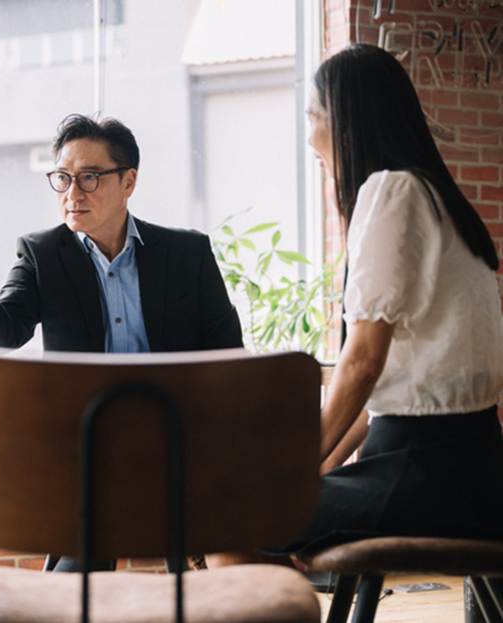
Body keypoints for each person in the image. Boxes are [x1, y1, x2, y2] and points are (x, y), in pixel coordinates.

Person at [211, 43, 503, 567]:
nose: (309, 136)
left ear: (345, 119)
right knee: (256, 516)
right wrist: (321, 470)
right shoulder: (440, 200)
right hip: (475, 470)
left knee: (220, 516)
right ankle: (298, 567)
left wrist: (294, 471)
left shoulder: (391, 191)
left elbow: (364, 361)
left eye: (313, 115)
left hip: (419, 475)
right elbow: (391, 393)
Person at [0, 113, 243, 571]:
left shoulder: (186, 254)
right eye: (62, 178)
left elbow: (228, 355)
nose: (72, 194)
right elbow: (1, 333)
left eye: (90, 178)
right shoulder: (42, 253)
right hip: (81, 443)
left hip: (173, 437)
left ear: (128, 181)